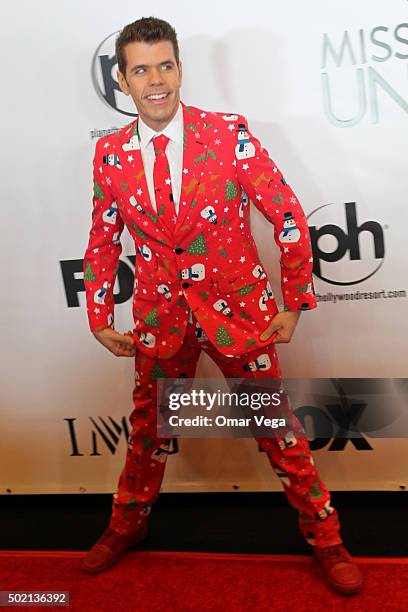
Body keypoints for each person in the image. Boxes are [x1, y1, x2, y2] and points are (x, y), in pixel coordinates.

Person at [81, 16, 363, 595]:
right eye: (141, 69)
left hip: (237, 314)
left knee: (277, 430)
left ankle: (326, 537)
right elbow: (103, 237)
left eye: (165, 65)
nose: (155, 80)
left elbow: (285, 212)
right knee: (147, 433)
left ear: (180, 68)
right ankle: (126, 525)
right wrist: (99, 316)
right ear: (122, 79)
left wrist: (295, 300)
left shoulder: (227, 133)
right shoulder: (109, 155)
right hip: (162, 319)